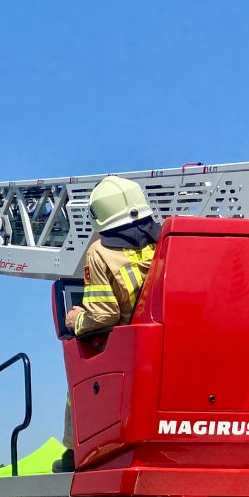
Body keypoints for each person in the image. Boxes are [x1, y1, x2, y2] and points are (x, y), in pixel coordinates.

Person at [56, 175, 160, 472]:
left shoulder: (100, 252)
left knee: (79, 371)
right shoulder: (168, 242)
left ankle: (76, 451)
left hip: (131, 355)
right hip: (174, 347)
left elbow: (103, 315)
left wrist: (77, 320)